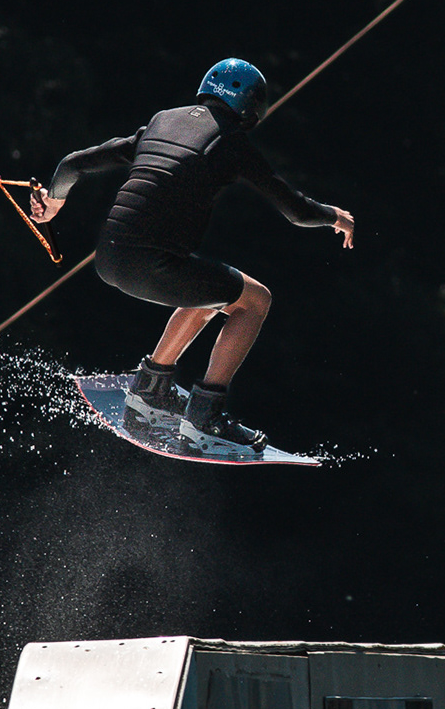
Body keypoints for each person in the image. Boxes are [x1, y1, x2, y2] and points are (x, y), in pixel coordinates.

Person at [30, 58, 355, 453]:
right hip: (150, 268)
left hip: (108, 262)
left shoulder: (162, 121)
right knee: (255, 301)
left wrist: (54, 202)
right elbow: (297, 211)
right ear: (252, 109)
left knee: (210, 289)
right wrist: (335, 216)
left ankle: (149, 391)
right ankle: (205, 416)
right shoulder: (230, 142)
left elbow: (72, 164)